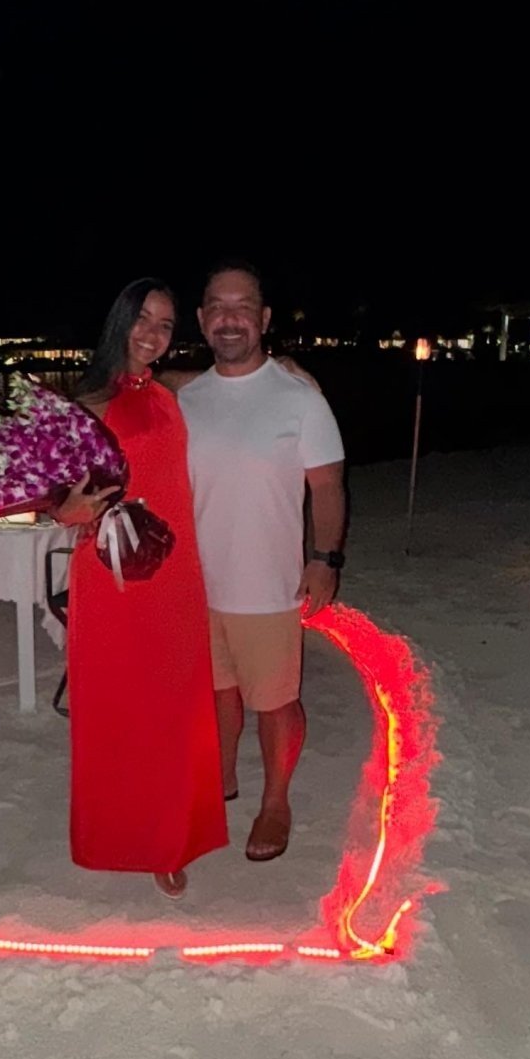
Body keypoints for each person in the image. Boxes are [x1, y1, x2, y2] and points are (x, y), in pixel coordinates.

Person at [53, 278, 227, 899]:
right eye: (143, 319)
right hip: (114, 574)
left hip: (176, 573)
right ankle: (120, 834)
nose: (153, 334)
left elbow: (219, 382)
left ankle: (170, 840)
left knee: (174, 704)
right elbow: (58, 498)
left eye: (165, 324)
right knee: (121, 706)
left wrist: (284, 366)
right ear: (121, 320)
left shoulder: (168, 394)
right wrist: (66, 512)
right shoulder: (87, 404)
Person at [177, 262, 346, 862]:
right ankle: (222, 776)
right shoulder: (187, 398)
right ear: (202, 319)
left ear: (264, 318)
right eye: (218, 307)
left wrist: (324, 559)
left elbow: (328, 486)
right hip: (197, 582)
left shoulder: (300, 398)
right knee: (218, 692)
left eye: (243, 307)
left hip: (268, 585)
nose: (230, 319)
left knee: (275, 701)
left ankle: (276, 802)